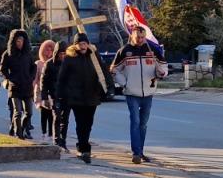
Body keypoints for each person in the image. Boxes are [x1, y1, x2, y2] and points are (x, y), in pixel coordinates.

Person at [113, 26, 167, 163]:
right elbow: (114, 69)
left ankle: (141, 151)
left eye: (143, 37)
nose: (140, 40)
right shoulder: (125, 51)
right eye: (138, 37)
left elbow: (162, 66)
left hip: (148, 92)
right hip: (131, 92)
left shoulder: (153, 49)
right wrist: (124, 83)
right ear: (132, 36)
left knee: (143, 124)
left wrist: (162, 73)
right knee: (135, 122)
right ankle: (136, 153)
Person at [54, 31, 105, 163]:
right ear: (75, 45)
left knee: (88, 124)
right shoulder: (70, 58)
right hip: (76, 97)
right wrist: (58, 96)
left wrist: (108, 87)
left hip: (92, 95)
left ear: (88, 44)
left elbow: (103, 71)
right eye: (80, 44)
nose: (83, 46)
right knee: (80, 123)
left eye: (85, 43)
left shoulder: (94, 56)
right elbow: (62, 78)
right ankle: (83, 149)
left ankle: (83, 145)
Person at [0, 28, 36, 138]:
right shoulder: (8, 54)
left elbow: (33, 67)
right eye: (18, 41)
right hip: (15, 87)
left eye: (22, 41)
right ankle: (19, 134)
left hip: (27, 87)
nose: (20, 43)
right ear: (14, 41)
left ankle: (21, 128)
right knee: (17, 112)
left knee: (29, 113)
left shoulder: (28, 54)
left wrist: (31, 77)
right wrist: (10, 78)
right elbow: (2, 68)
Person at [34, 38, 58, 140]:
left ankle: (50, 133)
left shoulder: (55, 63)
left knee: (52, 114)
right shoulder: (38, 63)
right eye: (47, 50)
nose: (49, 52)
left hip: (52, 91)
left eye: (51, 50)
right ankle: (44, 132)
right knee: (44, 113)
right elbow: (35, 79)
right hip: (41, 91)